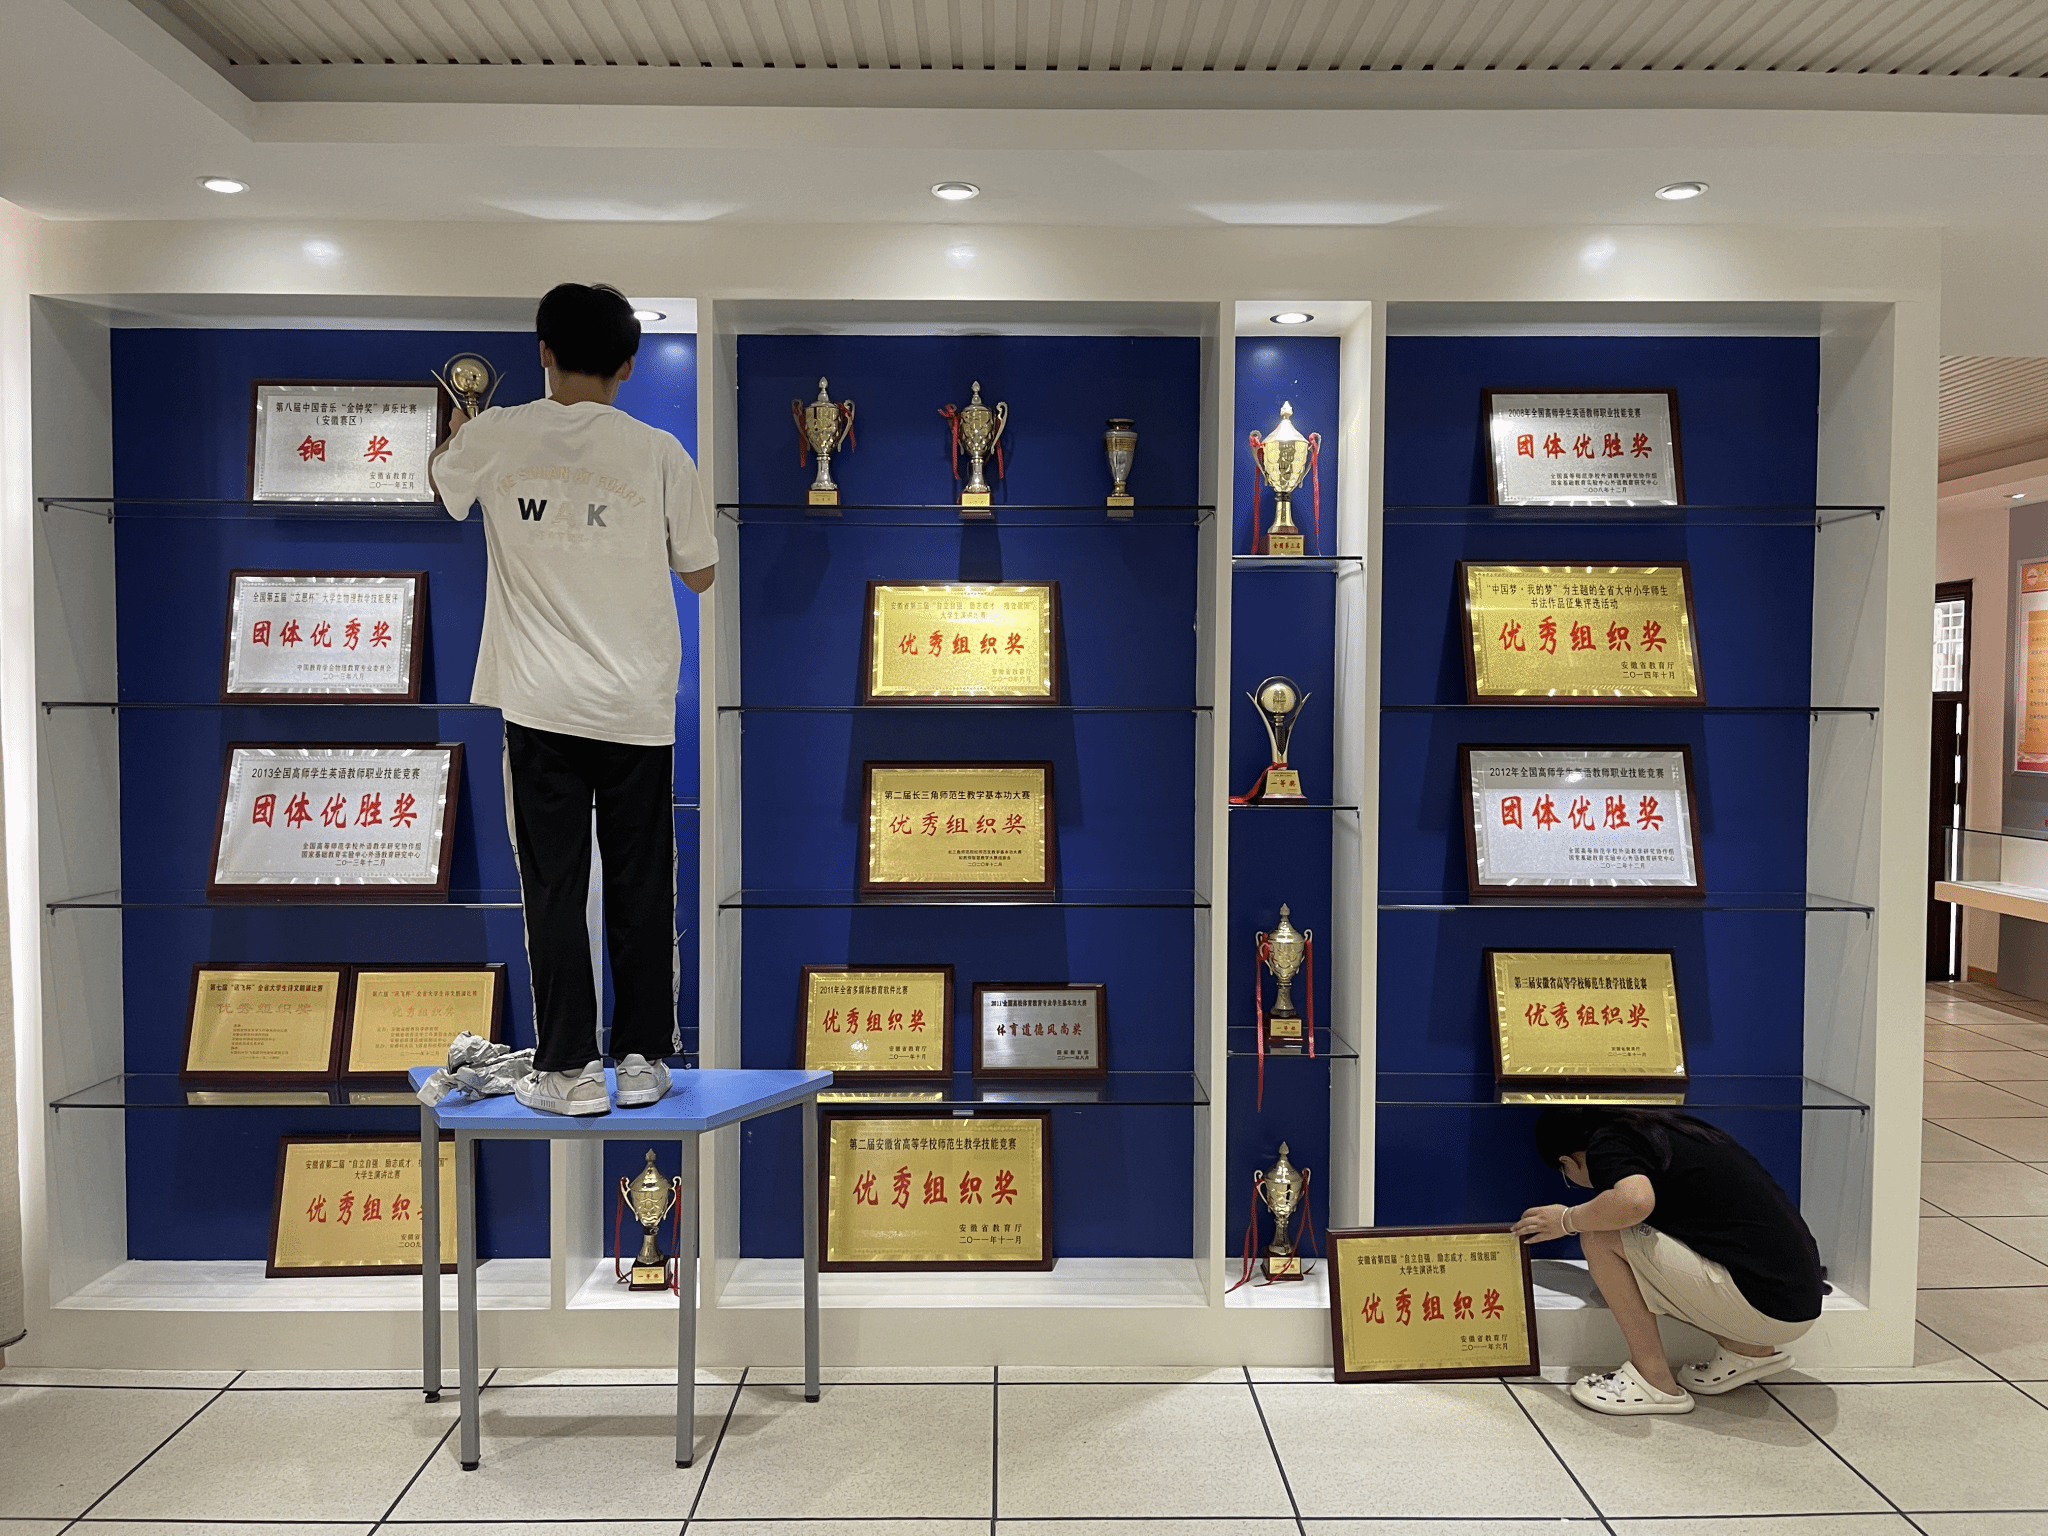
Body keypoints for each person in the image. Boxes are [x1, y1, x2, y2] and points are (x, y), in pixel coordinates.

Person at [429, 283, 716, 1116]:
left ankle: (567, 1071)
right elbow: (700, 572)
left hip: (540, 704)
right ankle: (641, 1060)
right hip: (635, 704)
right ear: (629, 364)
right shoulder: (660, 451)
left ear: (543, 353)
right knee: (641, 884)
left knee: (552, 887)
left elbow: (445, 485)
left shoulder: (494, 433)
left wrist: (461, 430)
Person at [1513, 1106, 1824, 1416]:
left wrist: (1567, 1219)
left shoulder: (1607, 1144)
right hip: (1797, 1300)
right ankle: (1747, 1349)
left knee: (1597, 1235)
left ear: (1568, 1161)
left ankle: (1653, 1380)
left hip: (1767, 1304)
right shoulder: (1659, 1129)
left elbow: (1634, 1202)